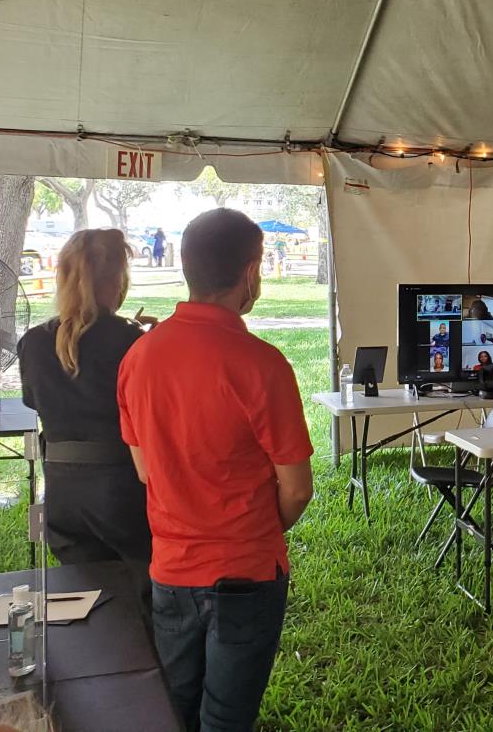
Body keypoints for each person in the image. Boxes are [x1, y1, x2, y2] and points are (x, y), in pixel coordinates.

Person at [118, 208, 314, 731]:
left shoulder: (139, 357)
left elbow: (144, 471)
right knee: (228, 718)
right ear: (251, 273)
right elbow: (296, 490)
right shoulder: (262, 363)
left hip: (170, 566)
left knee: (173, 709)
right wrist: (252, 530)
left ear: (186, 266)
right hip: (246, 570)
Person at [17, 229, 157, 606]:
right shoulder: (131, 341)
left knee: (82, 597)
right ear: (116, 280)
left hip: (62, 488)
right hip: (122, 485)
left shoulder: (32, 341)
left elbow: (34, 401)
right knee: (142, 596)